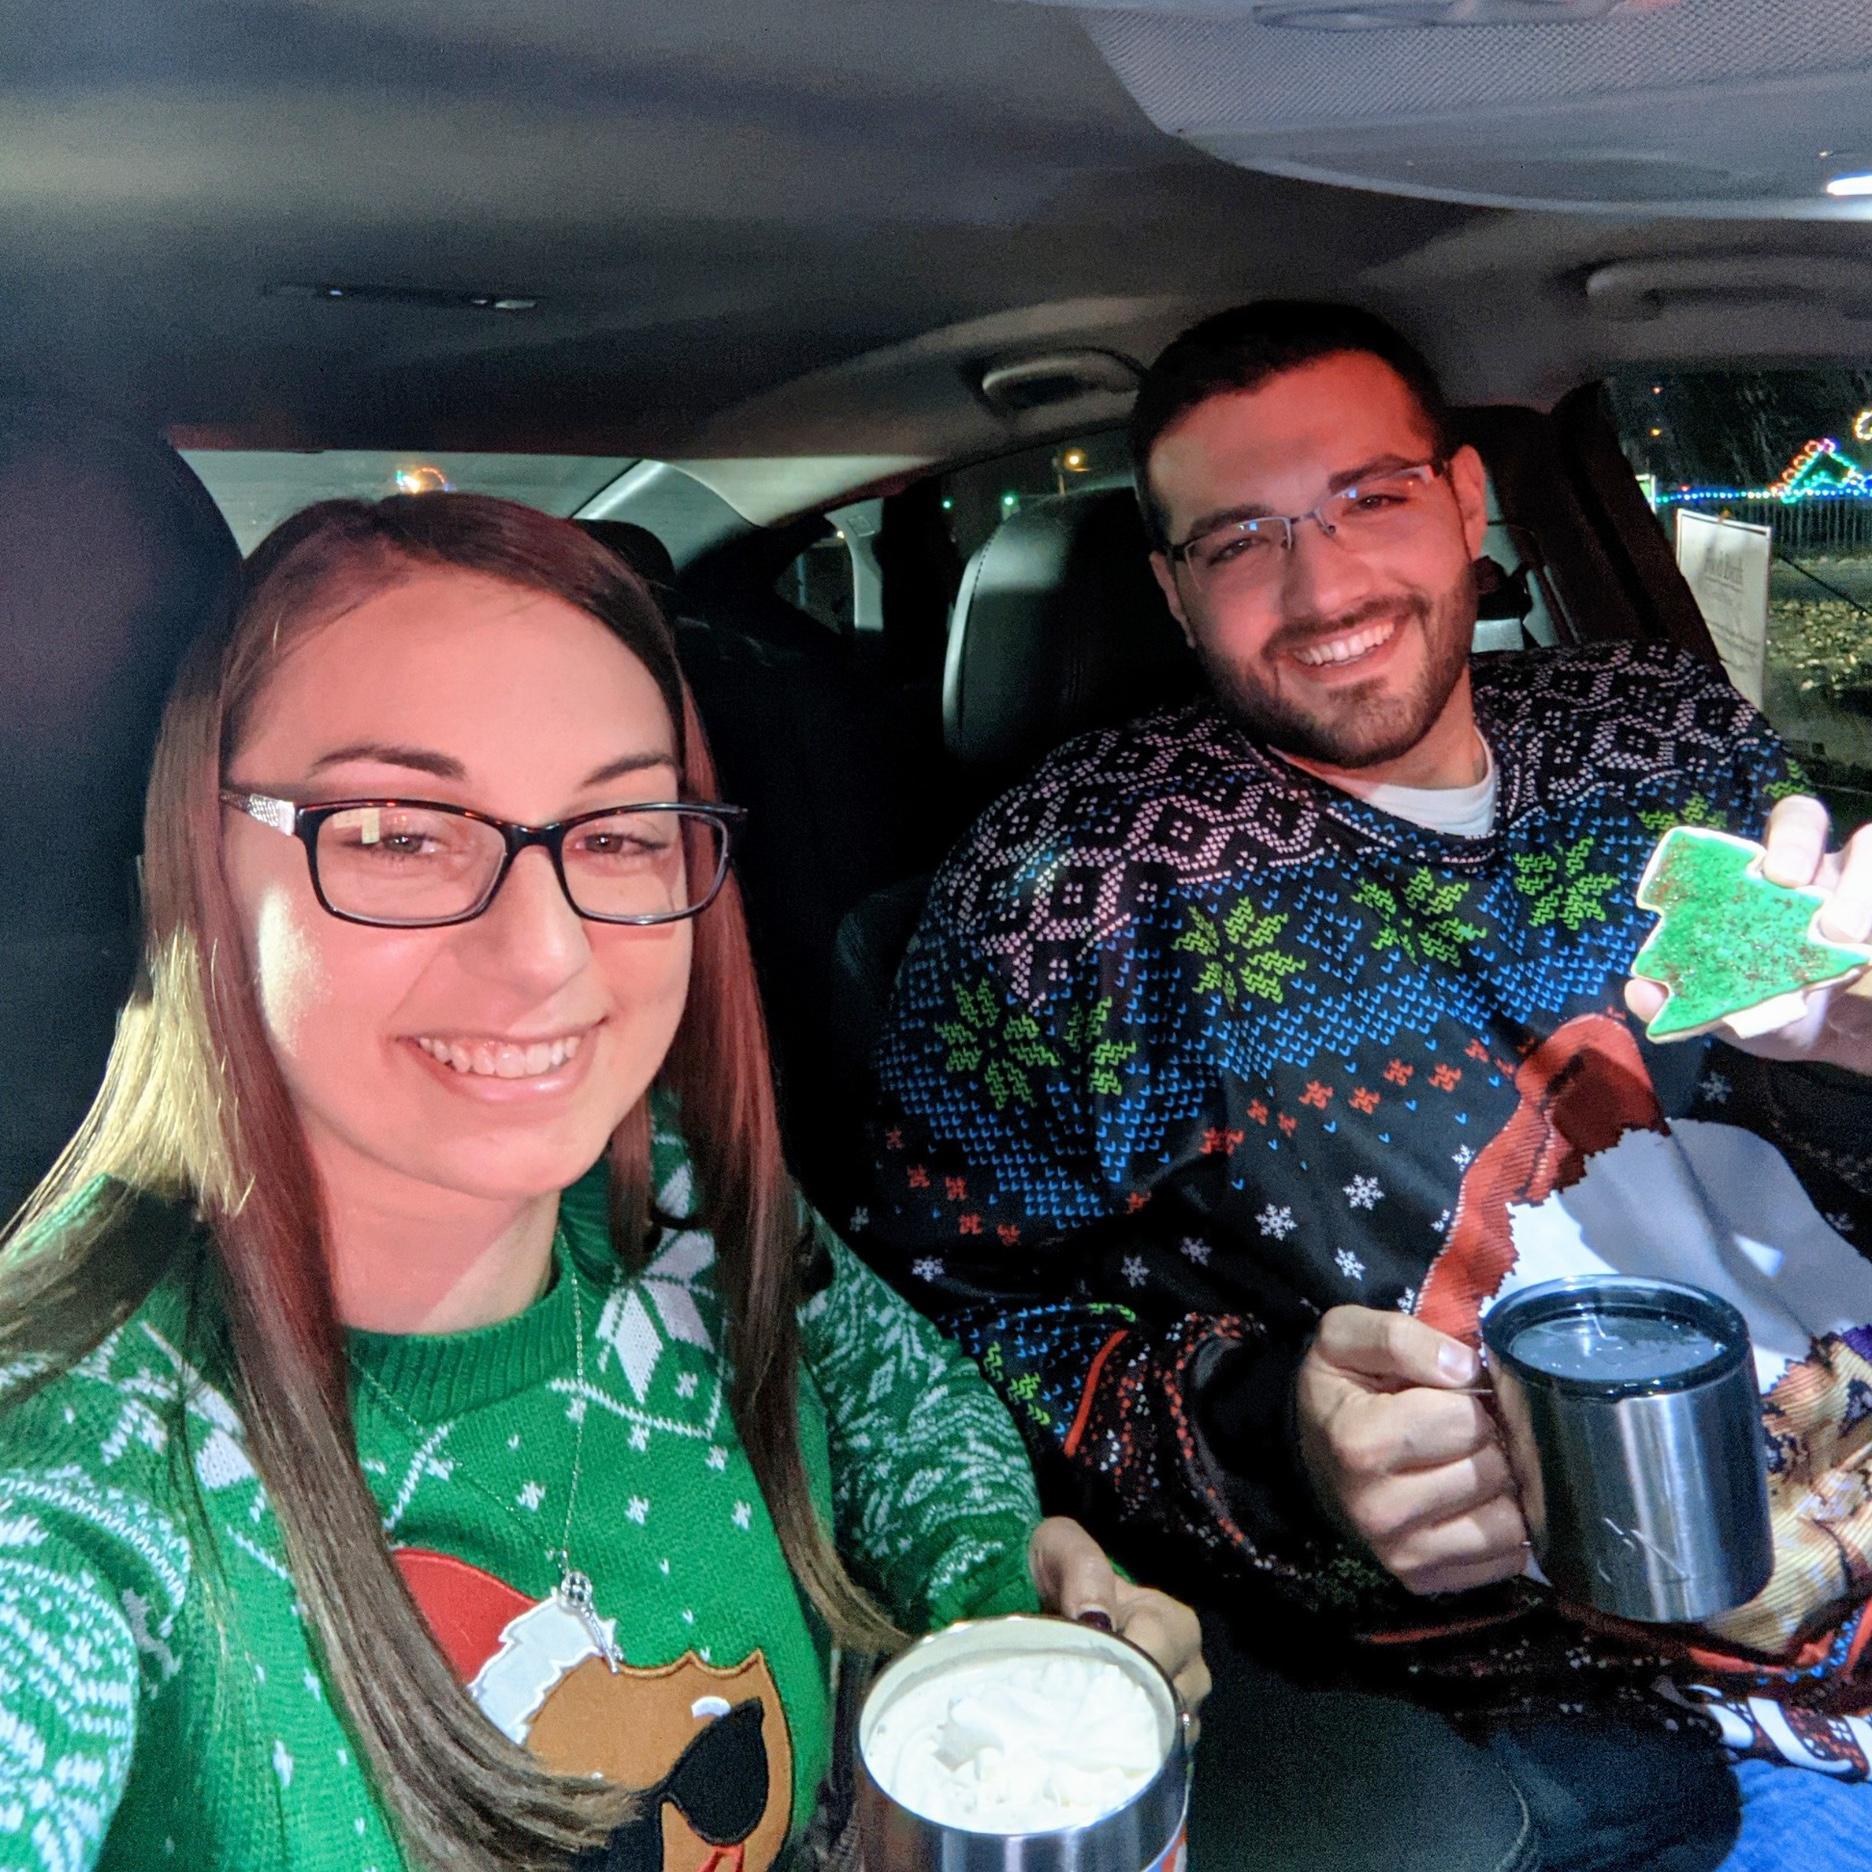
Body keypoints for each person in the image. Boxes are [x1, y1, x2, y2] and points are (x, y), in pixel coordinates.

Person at [0, 493, 1205, 1872]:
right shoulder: (74, 1469)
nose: (546, 954)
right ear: (197, 869)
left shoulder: (682, 1198)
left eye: (623, 832)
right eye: (399, 831)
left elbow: (904, 1407)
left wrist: (1002, 1612)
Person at [861, 300, 1872, 1872]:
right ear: (1171, 591)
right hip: (1571, 1679)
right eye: (1241, 540)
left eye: (1369, 500)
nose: (1323, 590)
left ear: (1467, 501)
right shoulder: (1067, 890)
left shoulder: (1667, 728)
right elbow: (935, 1321)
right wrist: (1272, 1441)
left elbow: (1822, 1025)